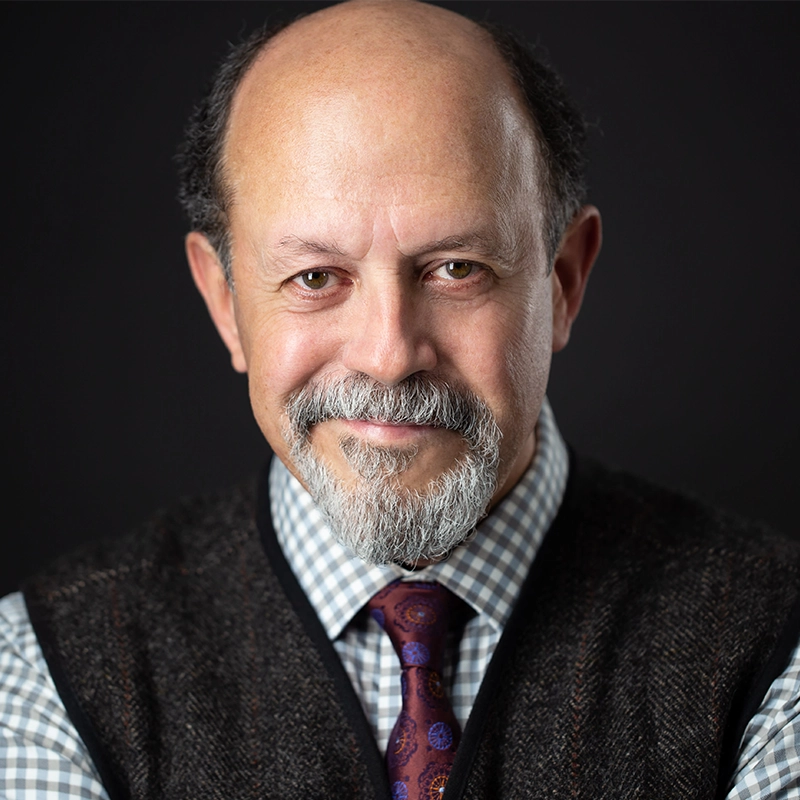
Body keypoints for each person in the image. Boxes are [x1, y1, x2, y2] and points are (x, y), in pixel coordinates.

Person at [2, 1, 798, 798]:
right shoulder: (41, 677)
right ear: (224, 301)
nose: (388, 358)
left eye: (456, 268)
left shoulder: (777, 657)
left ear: (563, 281)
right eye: (315, 278)